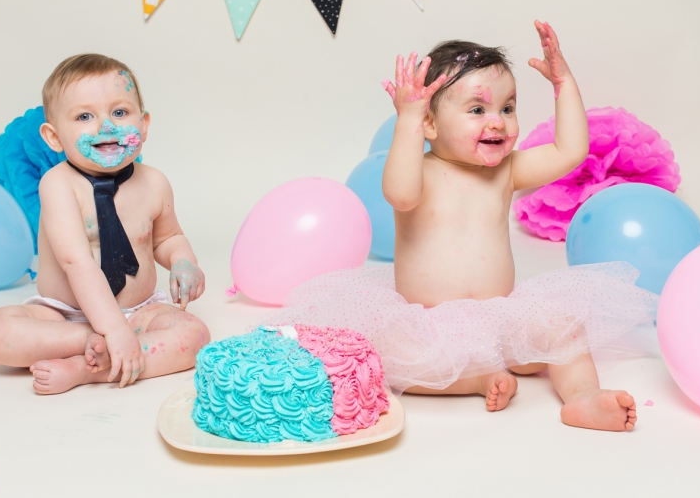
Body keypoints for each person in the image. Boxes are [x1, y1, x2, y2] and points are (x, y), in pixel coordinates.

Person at [272, 22, 657, 431]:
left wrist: (565, 84)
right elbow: (400, 195)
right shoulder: (418, 172)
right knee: (388, 359)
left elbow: (569, 150)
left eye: (507, 108)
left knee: (565, 330)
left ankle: (582, 397)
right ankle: (475, 380)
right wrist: (408, 119)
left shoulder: (506, 171)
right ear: (431, 125)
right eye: (478, 110)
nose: (498, 122)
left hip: (503, 319)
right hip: (429, 324)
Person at [0, 54, 210, 395]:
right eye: (84, 116)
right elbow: (77, 263)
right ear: (54, 138)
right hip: (65, 317)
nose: (106, 127)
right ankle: (97, 343)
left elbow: (168, 237)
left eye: (119, 112)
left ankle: (89, 370)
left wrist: (183, 262)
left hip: (137, 313)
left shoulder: (155, 183)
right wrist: (111, 331)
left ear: (143, 124)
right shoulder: (58, 185)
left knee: (196, 336)